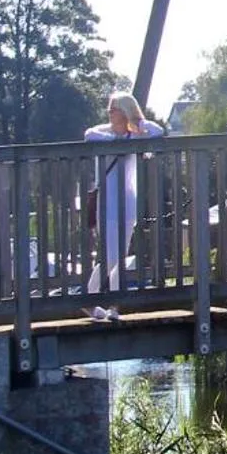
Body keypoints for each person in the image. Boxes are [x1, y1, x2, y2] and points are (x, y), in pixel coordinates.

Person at [83, 91, 165, 319]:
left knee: (120, 254)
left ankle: (114, 307)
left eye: (114, 108)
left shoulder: (135, 135)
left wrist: (139, 122)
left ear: (125, 111)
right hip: (107, 202)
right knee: (110, 254)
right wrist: (116, 141)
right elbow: (89, 135)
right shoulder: (104, 133)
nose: (109, 112)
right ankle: (89, 298)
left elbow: (158, 132)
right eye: (109, 108)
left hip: (127, 200)